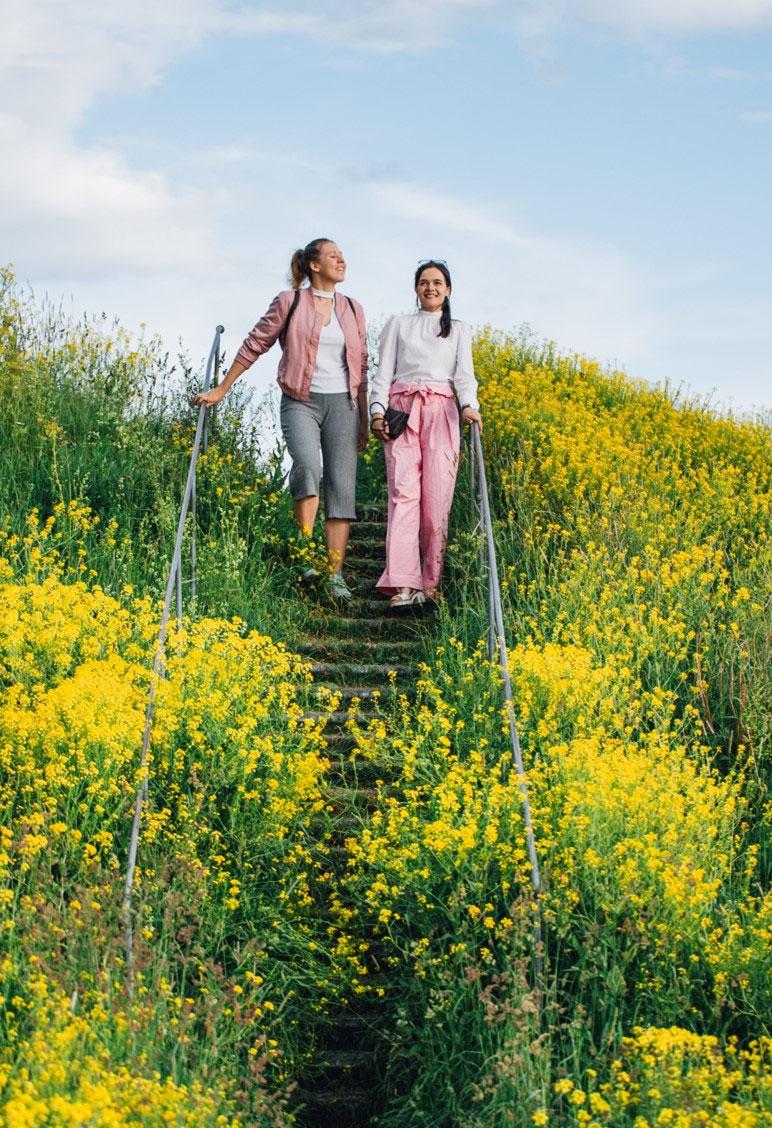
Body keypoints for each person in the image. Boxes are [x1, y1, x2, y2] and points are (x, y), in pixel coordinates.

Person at [194, 238, 369, 600]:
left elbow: (362, 365)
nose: (342, 259)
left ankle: (334, 575)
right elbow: (255, 342)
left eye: (342, 255)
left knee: (341, 483)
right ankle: (305, 558)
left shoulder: (353, 308)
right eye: (332, 255)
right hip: (300, 401)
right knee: (307, 466)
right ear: (313, 265)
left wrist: (364, 416)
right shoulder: (290, 302)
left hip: (345, 404)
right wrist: (222, 388)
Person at [370, 260, 483, 607]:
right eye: (423, 282)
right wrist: (376, 411)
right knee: (404, 496)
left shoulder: (459, 330)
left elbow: (464, 375)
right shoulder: (399, 325)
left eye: (437, 282)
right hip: (402, 410)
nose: (430, 288)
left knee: (436, 501)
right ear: (416, 288)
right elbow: (383, 372)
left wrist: (469, 405)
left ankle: (429, 584)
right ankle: (402, 584)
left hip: (442, 412)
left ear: (448, 290)